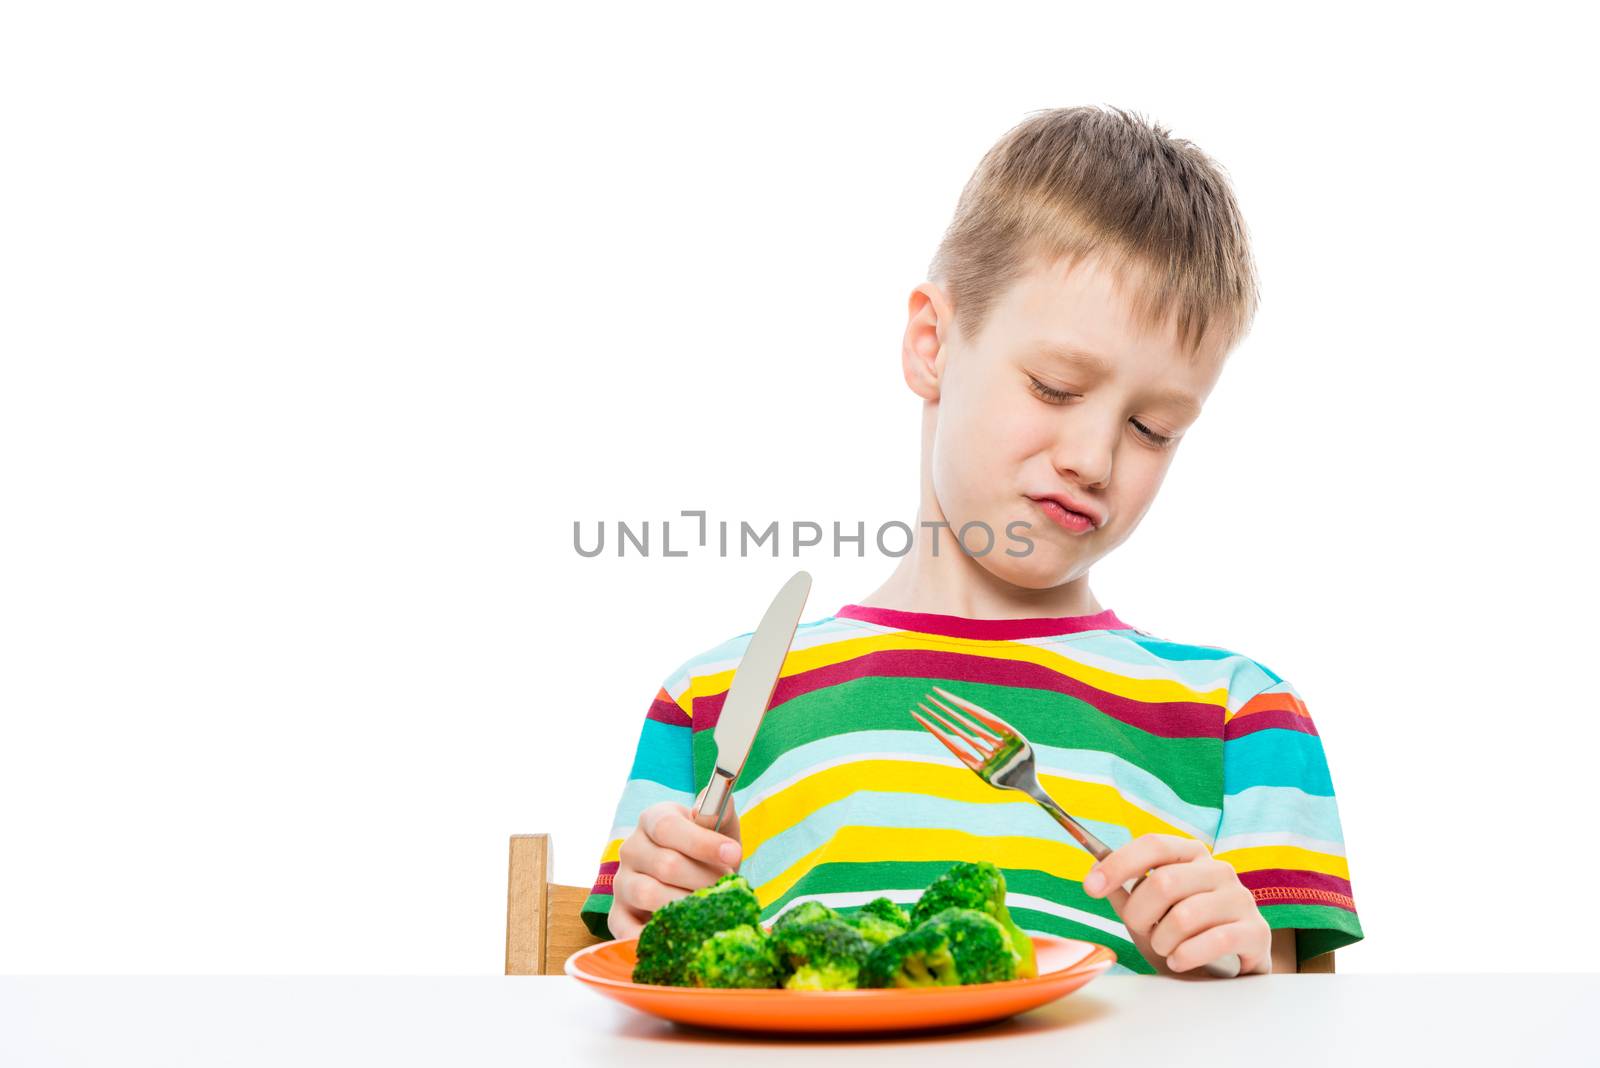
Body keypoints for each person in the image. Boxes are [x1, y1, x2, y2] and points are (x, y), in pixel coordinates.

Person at [578, 106, 1362, 976]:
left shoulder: (1238, 720)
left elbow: (1289, 1032)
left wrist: (1237, 967)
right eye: (1057, 388)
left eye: (1151, 427)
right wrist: (653, 911)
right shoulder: (714, 704)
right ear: (932, 346)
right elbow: (631, 998)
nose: (1093, 459)